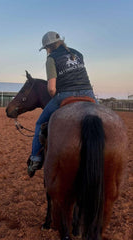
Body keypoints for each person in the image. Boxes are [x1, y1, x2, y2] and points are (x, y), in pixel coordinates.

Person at [27, 31, 97, 177]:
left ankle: (35, 159)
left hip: (66, 94)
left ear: (48, 47)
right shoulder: (78, 53)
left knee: (40, 123)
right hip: (89, 93)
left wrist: (55, 97)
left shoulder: (51, 58)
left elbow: (52, 88)